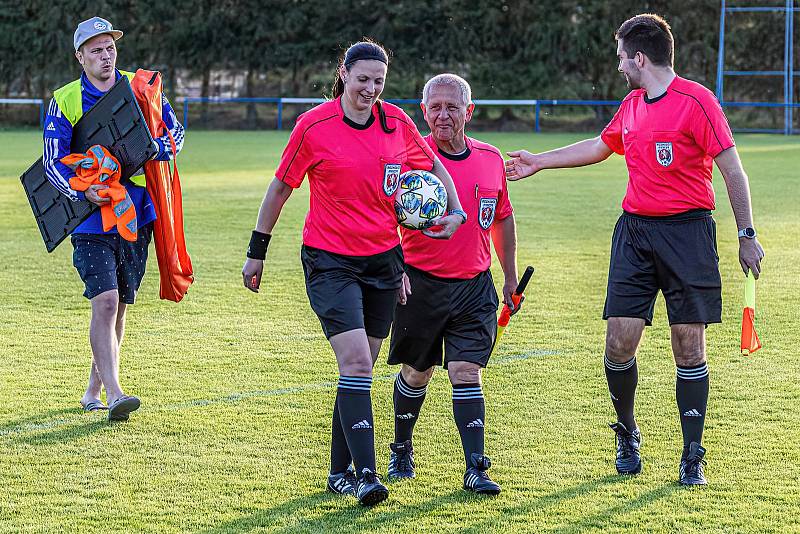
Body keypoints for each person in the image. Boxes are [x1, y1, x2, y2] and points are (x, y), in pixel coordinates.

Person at [505, 14, 764, 486]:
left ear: (639, 57)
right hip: (635, 235)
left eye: (622, 56)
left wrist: (746, 235)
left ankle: (691, 454)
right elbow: (601, 146)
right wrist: (539, 161)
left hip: (688, 235)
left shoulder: (697, 101)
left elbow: (733, 170)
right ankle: (627, 433)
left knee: (689, 346)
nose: (619, 63)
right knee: (619, 342)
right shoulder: (632, 104)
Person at [241, 41, 466, 506]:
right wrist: (256, 251)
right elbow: (281, 187)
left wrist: (457, 209)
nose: (370, 89)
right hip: (329, 260)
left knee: (357, 371)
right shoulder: (315, 126)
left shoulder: (396, 122)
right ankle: (366, 476)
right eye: (362, 79)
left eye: (378, 82)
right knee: (358, 363)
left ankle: (337, 472)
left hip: (383, 263)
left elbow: (434, 165)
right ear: (343, 74)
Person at [43, 17, 184, 422]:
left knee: (119, 307)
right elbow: (52, 162)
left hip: (136, 213)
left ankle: (94, 388)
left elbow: (176, 136)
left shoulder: (141, 88)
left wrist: (149, 149)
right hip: (89, 217)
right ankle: (117, 393)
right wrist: (80, 190)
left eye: (110, 49)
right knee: (104, 302)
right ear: (80, 57)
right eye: (96, 50)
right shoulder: (65, 99)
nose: (105, 56)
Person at [386, 74, 518, 496]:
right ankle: (402, 448)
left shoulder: (491, 158)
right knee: (417, 372)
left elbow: (501, 218)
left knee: (467, 372)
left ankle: (476, 467)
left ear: (469, 111)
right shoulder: (407, 159)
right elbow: (382, 218)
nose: (443, 114)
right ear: (423, 111)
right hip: (419, 284)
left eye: (452, 106)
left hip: (474, 287)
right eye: (435, 107)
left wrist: (510, 276)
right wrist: (394, 268)